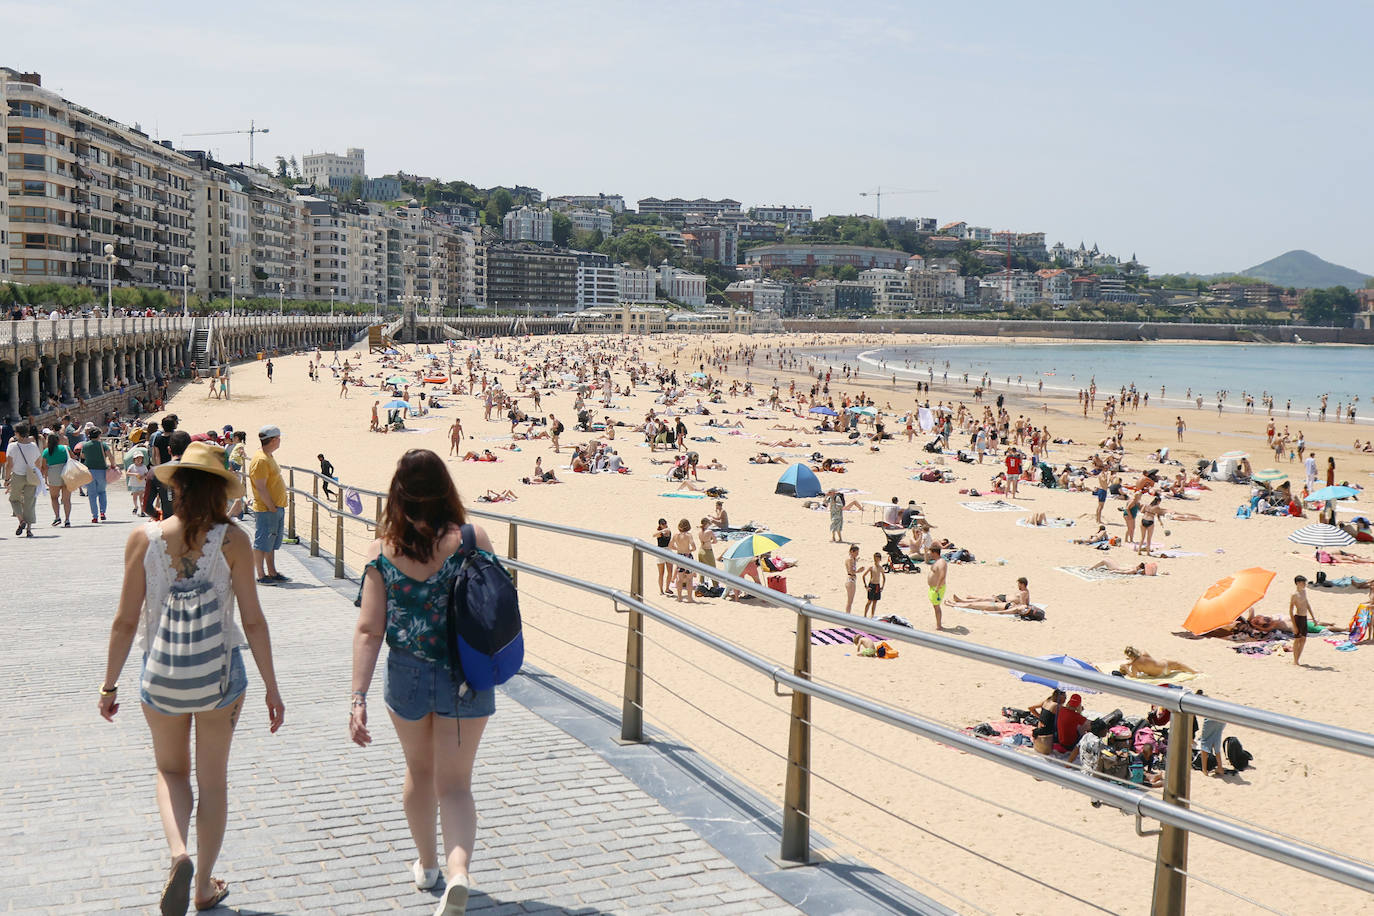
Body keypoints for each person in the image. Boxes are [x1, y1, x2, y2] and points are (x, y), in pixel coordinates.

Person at [98, 442, 285, 914]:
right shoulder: (235, 540)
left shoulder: (144, 539)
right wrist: (272, 687)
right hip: (220, 676)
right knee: (214, 783)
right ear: (221, 491)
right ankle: (202, 885)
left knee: (171, 770)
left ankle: (178, 853)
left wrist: (109, 685)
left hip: (160, 674)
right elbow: (254, 620)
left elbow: (124, 621)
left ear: (175, 486)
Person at [350, 449, 493, 914]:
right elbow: (496, 602)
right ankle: (458, 872)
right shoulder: (472, 538)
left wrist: (358, 697)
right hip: (465, 674)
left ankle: (428, 865)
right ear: (445, 488)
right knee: (456, 784)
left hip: (407, 673)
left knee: (419, 771)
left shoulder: (381, 551)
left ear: (398, 494)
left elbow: (370, 631)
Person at [249, 426, 289, 584]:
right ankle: (261, 574)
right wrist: (271, 506)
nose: (280, 441)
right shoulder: (261, 460)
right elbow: (260, 487)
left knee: (271, 542)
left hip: (275, 507)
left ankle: (272, 572)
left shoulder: (267, 456)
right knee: (262, 542)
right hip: (267, 509)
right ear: (273, 440)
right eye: (279, 438)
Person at [3, 422, 41, 537]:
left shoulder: (12, 446)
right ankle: (29, 529)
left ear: (18, 434)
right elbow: (38, 461)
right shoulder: (33, 446)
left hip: (17, 476)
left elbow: (9, 464)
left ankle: (21, 520)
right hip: (31, 476)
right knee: (29, 503)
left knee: (14, 499)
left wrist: (6, 478)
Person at [80, 427, 115, 524]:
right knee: (102, 492)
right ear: (99, 435)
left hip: (89, 471)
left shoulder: (85, 445)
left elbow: (82, 456)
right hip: (101, 471)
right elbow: (111, 456)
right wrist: (113, 465)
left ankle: (94, 516)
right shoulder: (103, 445)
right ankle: (102, 512)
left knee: (92, 495)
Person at [39, 431, 72, 527]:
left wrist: (44, 478)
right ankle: (67, 519)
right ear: (58, 440)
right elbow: (73, 458)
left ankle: (57, 517)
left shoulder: (46, 452)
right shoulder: (65, 448)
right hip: (66, 473)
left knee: (54, 497)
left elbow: (44, 467)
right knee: (67, 499)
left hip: (53, 473)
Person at [1195, 690, 1227, 778]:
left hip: (1211, 718)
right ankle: (1220, 767)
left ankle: (1204, 769)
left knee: (1205, 742)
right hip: (1222, 717)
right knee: (1216, 740)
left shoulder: (1198, 701)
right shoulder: (1209, 699)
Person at [1118, 646, 1196, 677]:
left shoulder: (1135, 666)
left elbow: (1133, 676)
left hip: (1158, 675)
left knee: (1176, 667)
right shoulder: (1144, 653)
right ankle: (1194, 672)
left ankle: (1193, 672)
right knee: (1178, 664)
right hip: (1164, 667)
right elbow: (1139, 658)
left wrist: (1127, 668)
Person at [669, 518, 697, 603]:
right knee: (689, 579)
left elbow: (670, 545)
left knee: (679, 578)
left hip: (679, 556)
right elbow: (694, 547)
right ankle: (689, 598)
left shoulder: (676, 535)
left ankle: (679, 597)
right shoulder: (689, 535)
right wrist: (689, 550)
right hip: (687, 556)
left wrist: (677, 548)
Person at [1289, 575, 1312, 666]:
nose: (1305, 584)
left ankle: (1297, 659)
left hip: (1304, 617)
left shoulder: (1304, 592)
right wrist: (1294, 625)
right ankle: (1295, 660)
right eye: (1303, 583)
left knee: (1303, 639)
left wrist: (1313, 617)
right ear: (1298, 583)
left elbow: (1307, 604)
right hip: (1298, 617)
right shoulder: (1294, 595)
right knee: (1297, 640)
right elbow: (1290, 610)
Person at [925, 546, 947, 630]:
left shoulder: (941, 562)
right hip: (933, 588)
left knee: (937, 606)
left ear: (934, 552)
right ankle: (938, 624)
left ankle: (939, 625)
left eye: (930, 552)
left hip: (937, 588)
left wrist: (937, 587)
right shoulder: (936, 561)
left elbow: (942, 575)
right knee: (935, 606)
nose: (929, 554)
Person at [861, 552, 885, 618]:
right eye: (875, 558)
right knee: (869, 601)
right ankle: (865, 615)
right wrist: (866, 586)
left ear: (880, 559)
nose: (876, 560)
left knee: (875, 602)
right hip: (871, 585)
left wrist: (882, 586)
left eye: (877, 558)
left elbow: (884, 578)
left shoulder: (880, 568)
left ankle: (872, 615)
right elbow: (863, 576)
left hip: (877, 585)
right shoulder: (871, 567)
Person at [126, 451, 150, 516]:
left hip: (142, 484)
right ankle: (136, 506)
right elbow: (127, 473)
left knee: (141, 498)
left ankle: (142, 511)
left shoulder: (144, 466)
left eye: (140, 458)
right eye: (137, 458)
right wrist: (134, 474)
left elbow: (147, 474)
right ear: (134, 459)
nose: (139, 460)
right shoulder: (132, 466)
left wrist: (144, 476)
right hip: (134, 484)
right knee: (134, 497)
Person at [655, 518, 673, 596]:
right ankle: (661, 590)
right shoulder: (659, 533)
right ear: (660, 525)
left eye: (665, 523)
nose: (664, 525)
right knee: (661, 573)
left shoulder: (669, 531)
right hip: (660, 552)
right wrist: (662, 531)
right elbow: (654, 535)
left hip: (668, 550)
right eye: (663, 524)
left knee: (670, 572)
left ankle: (667, 588)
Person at [843, 545, 860, 614]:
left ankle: (848, 615)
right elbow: (851, 571)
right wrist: (859, 571)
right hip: (851, 580)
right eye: (856, 553)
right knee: (850, 601)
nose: (857, 554)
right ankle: (847, 616)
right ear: (852, 552)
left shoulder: (852, 559)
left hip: (851, 580)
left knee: (850, 601)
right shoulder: (850, 560)